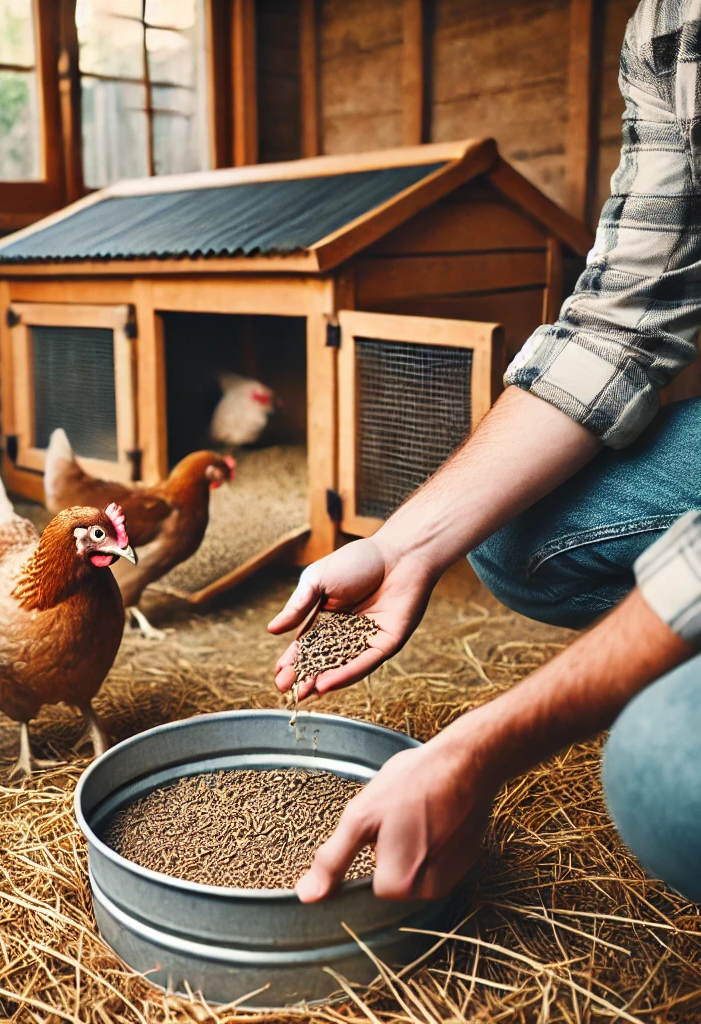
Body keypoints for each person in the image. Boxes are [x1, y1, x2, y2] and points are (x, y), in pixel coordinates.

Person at [271, 0, 701, 906]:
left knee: (666, 774)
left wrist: (482, 742)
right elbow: (621, 321)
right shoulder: (669, 26)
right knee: (508, 537)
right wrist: (403, 546)